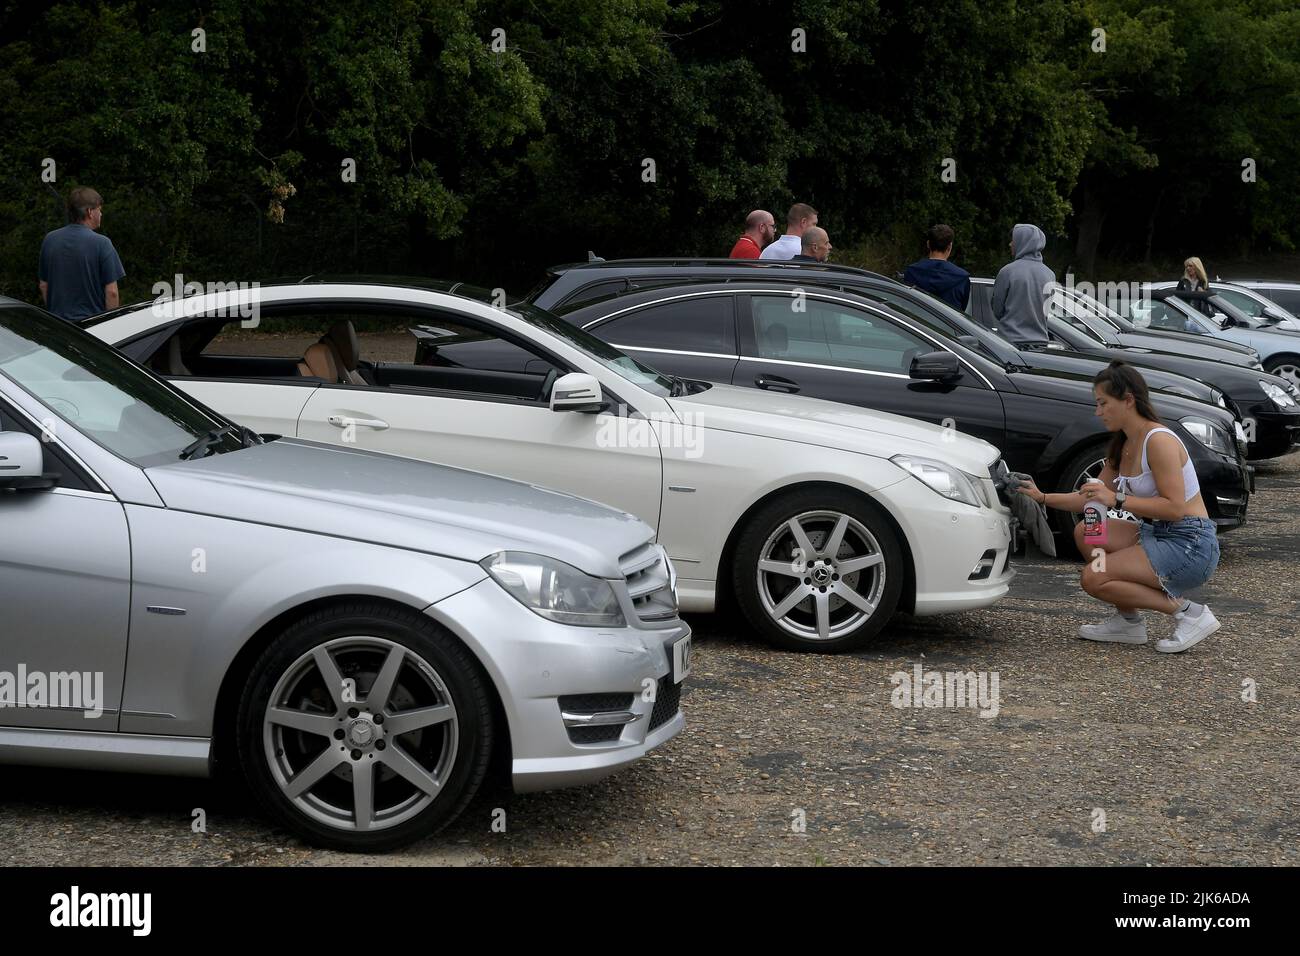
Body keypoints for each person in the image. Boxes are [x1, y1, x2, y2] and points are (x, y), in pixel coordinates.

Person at [1015, 361, 1221, 653]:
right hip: (1157, 533)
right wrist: (1042, 497)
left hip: (1190, 544)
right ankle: (1128, 621)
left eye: (1103, 403)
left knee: (1094, 578)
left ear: (1128, 400)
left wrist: (1117, 499)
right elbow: (1091, 497)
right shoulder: (1123, 444)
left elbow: (1174, 508)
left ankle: (1190, 613)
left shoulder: (1158, 441)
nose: (1098, 412)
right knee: (1088, 528)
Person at [38, 186, 125, 322]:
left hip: (59, 326)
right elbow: (112, 292)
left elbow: (44, 285)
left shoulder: (50, 239)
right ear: (90, 212)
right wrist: (111, 324)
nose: (101, 214)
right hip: (91, 328)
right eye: (99, 210)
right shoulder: (102, 243)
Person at [991, 223, 1054, 347]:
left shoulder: (1007, 271)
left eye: (1013, 240)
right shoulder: (1050, 274)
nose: (1010, 244)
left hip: (1010, 341)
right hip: (1040, 342)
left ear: (1023, 242)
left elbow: (997, 309)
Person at [903, 223, 970, 311]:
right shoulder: (962, 278)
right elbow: (962, 310)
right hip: (947, 324)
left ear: (928, 244)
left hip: (914, 323)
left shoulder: (911, 272)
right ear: (949, 246)